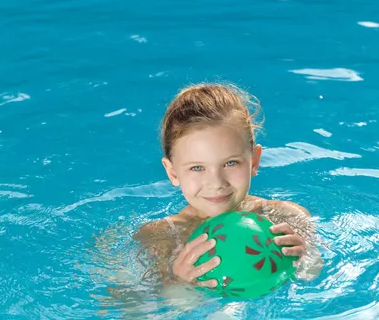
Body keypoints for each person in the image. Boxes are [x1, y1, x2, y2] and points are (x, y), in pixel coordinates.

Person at [135, 82, 323, 288]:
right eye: (197, 168)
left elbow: (313, 276)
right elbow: (144, 310)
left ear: (254, 161)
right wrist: (178, 282)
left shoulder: (285, 218)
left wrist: (304, 259)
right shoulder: (161, 238)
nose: (216, 183)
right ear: (172, 172)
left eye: (230, 163)